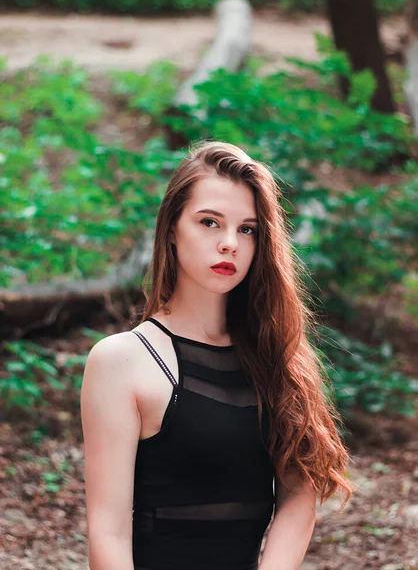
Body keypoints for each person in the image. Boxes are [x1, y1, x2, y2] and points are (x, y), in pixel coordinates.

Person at [81, 140, 355, 570]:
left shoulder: (275, 356)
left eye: (247, 229)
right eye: (210, 222)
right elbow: (107, 532)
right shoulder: (121, 361)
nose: (230, 243)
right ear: (172, 229)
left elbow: (298, 498)